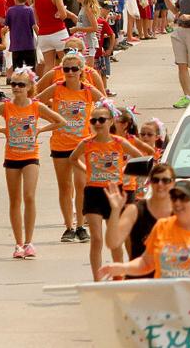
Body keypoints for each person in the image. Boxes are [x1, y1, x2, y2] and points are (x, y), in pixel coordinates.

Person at [0, 67, 67, 259]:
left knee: (29, 196)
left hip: (31, 156)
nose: (16, 88)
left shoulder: (36, 107)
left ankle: (29, 242)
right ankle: (18, 244)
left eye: (21, 84)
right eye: (13, 84)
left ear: (30, 87)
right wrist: (2, 130)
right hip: (12, 157)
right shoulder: (5, 107)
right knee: (15, 200)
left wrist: (41, 130)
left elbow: (60, 121)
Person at [70, 99, 149, 280]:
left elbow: (139, 157)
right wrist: (86, 170)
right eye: (93, 120)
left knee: (115, 240)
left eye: (101, 120)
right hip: (94, 192)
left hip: (116, 193)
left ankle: (118, 278)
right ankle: (97, 280)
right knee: (97, 238)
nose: (97, 124)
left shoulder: (118, 142)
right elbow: (73, 159)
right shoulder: (87, 143)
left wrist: (123, 171)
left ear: (111, 121)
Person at [97, 180, 190, 279]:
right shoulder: (162, 226)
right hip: (165, 306)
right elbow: (147, 263)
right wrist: (123, 268)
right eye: (174, 197)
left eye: (183, 198)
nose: (177, 202)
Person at [42, 52, 106, 244]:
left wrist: (97, 126)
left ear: (81, 71)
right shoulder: (56, 88)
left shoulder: (88, 90)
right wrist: (53, 119)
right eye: (66, 69)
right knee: (65, 186)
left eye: (74, 69)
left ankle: (80, 226)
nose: (70, 73)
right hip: (60, 143)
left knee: (81, 186)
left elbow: (107, 106)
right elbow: (35, 104)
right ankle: (69, 227)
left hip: (82, 145)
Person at [103, 163, 176, 279]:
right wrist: (115, 210)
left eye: (165, 180)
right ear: (150, 182)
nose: (160, 184)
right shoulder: (135, 210)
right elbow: (112, 242)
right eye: (155, 180)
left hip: (172, 281)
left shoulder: (180, 211)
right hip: (139, 282)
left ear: (173, 183)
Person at [34, 0, 74, 74]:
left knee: (48, 66)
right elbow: (63, 15)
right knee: (67, 62)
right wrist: (58, 15)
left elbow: (37, 19)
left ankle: (48, 87)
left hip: (43, 35)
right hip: (59, 33)